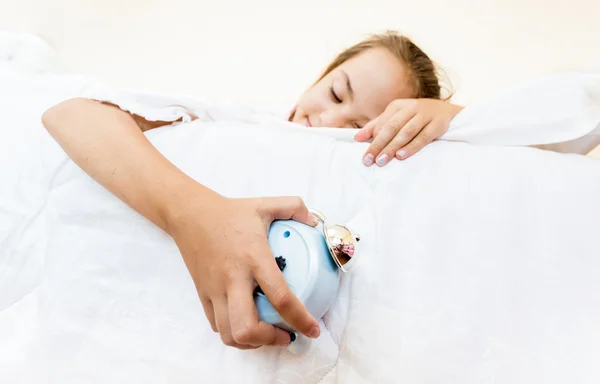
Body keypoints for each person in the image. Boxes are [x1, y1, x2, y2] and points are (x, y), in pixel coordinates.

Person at [40, 30, 464, 351]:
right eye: (335, 93)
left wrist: (452, 116)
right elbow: (70, 114)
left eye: (357, 128)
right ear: (322, 75)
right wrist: (195, 218)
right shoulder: (242, 121)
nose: (330, 120)